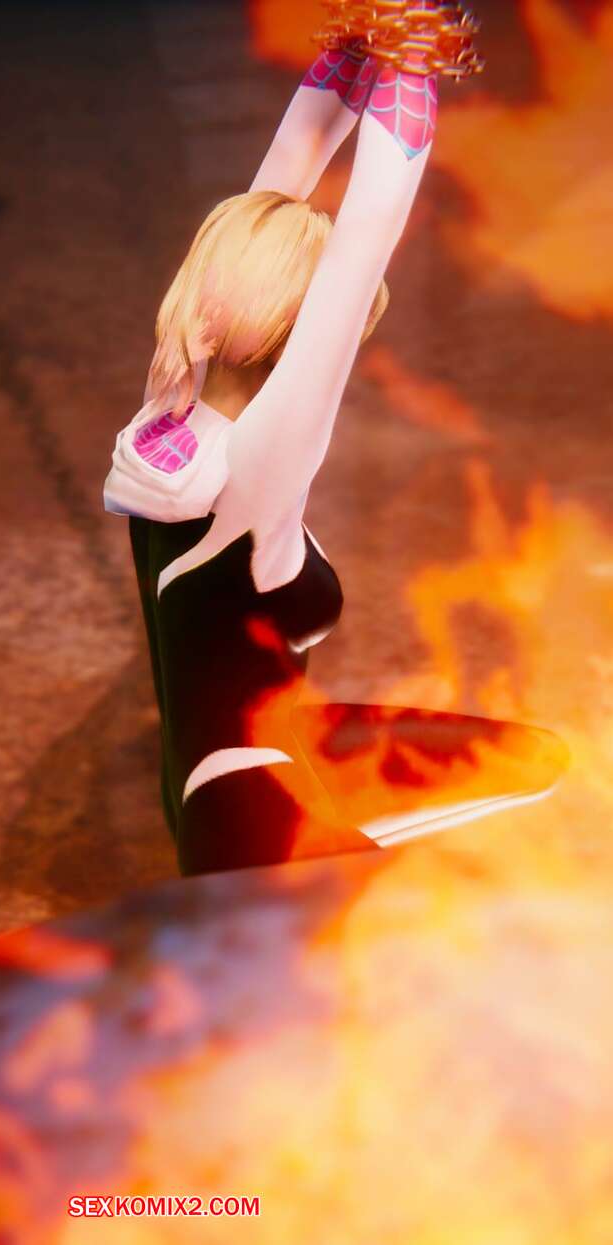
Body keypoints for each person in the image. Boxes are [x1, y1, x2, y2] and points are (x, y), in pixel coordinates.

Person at [104, 23, 565, 875]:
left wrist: (355, 49)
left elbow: (270, 194)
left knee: (530, 759)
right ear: (299, 336)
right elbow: (361, 245)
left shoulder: (165, 410)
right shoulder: (256, 473)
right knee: (536, 797)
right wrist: (412, 61)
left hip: (212, 788)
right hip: (260, 830)